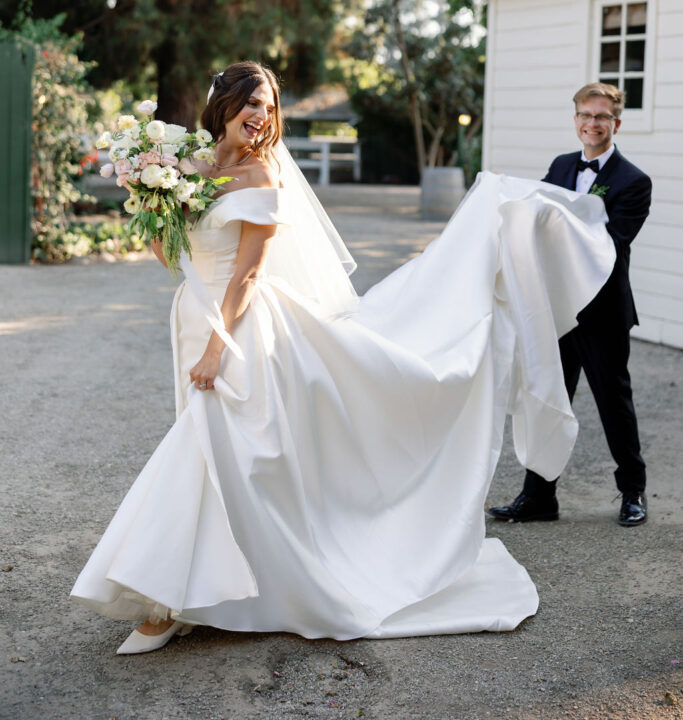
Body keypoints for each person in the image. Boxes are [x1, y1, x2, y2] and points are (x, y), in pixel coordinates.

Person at [71, 62, 616, 654]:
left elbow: (248, 274)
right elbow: (173, 255)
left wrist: (215, 347)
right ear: (224, 103)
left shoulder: (260, 175)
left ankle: (168, 600)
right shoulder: (191, 167)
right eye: (252, 102)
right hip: (193, 313)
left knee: (228, 451)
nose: (261, 116)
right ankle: (203, 589)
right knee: (212, 452)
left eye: (269, 106)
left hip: (241, 329)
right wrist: (149, 198)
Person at [488, 82, 651, 529]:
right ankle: (539, 497)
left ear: (616, 123)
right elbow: (532, 221)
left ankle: (632, 493)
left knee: (613, 403)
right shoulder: (561, 166)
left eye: (602, 117)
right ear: (575, 118)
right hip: (554, 310)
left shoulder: (633, 182)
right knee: (545, 397)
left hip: (600, 313)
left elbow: (610, 245)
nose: (592, 123)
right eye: (585, 115)